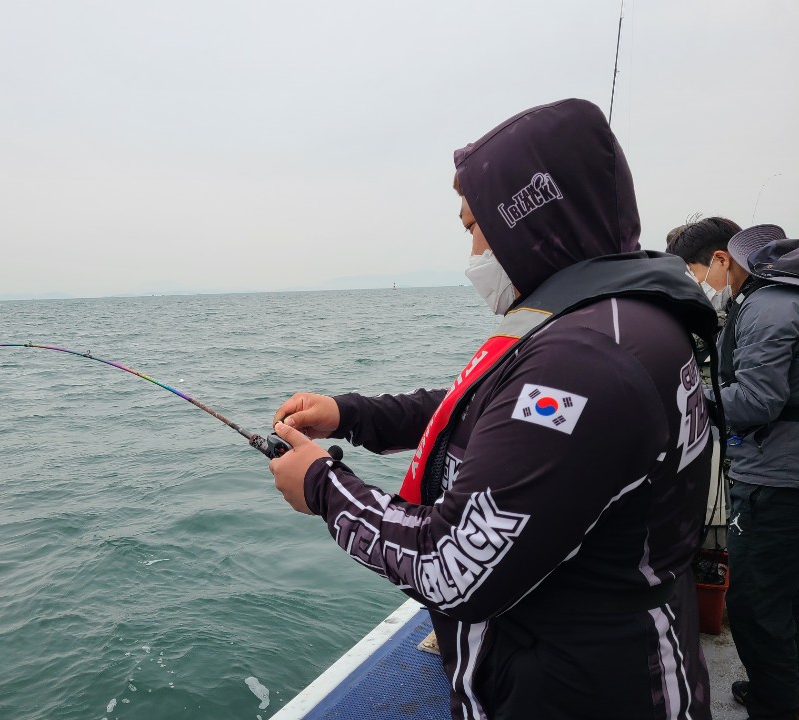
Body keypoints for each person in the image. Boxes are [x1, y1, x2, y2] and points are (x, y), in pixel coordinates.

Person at [268, 98, 717, 720]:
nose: (475, 251)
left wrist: (322, 485)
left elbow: (449, 565)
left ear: (525, 217)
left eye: (475, 227)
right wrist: (350, 414)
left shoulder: (583, 361)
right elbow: (488, 412)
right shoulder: (621, 324)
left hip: (575, 693)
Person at [716, 224, 799, 720]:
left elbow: (755, 401)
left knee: (755, 602)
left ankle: (775, 704)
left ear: (733, 264)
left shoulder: (767, 306)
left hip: (775, 480)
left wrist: (690, 400)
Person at [666, 216, 742, 383]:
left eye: (692, 274)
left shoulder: (756, 308)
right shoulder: (739, 302)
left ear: (722, 260)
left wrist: (691, 396)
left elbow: (755, 393)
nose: (694, 284)